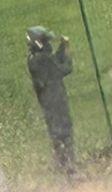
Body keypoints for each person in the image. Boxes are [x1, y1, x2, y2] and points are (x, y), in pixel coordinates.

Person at [26, 26, 77, 177]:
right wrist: (66, 49)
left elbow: (54, 62)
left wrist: (62, 47)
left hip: (49, 104)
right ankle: (68, 168)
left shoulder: (35, 58)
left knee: (57, 134)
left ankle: (64, 166)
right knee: (64, 134)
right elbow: (65, 69)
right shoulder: (43, 59)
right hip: (56, 103)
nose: (49, 44)